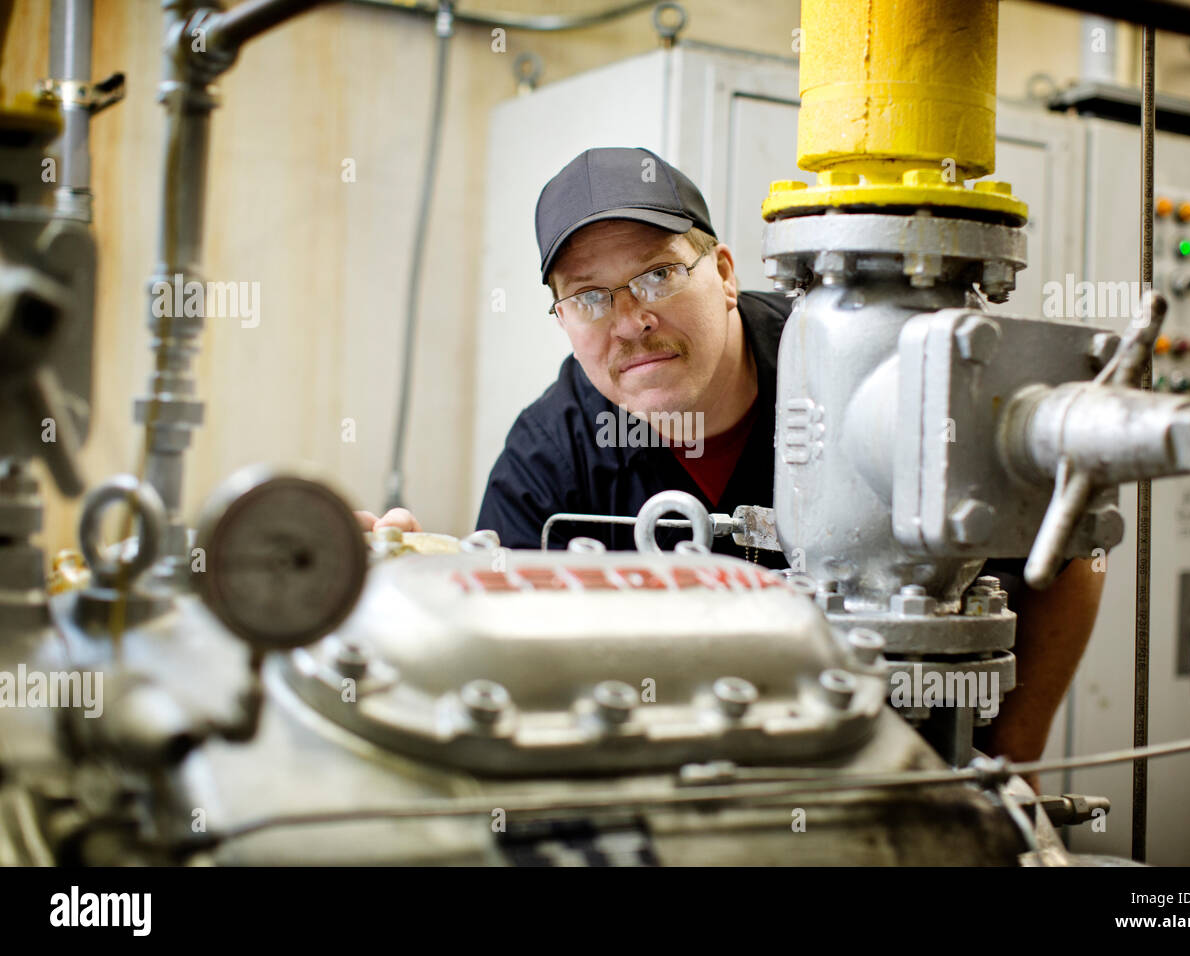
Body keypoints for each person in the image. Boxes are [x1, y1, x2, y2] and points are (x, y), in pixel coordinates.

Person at [357, 147, 1105, 783]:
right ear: (561, 317)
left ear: (721, 270)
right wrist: (405, 586)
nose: (631, 321)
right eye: (588, 298)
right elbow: (498, 646)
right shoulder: (550, 454)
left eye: (656, 275)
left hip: (882, 771)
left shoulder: (848, 374)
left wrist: (1011, 761)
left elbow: (1074, 551)